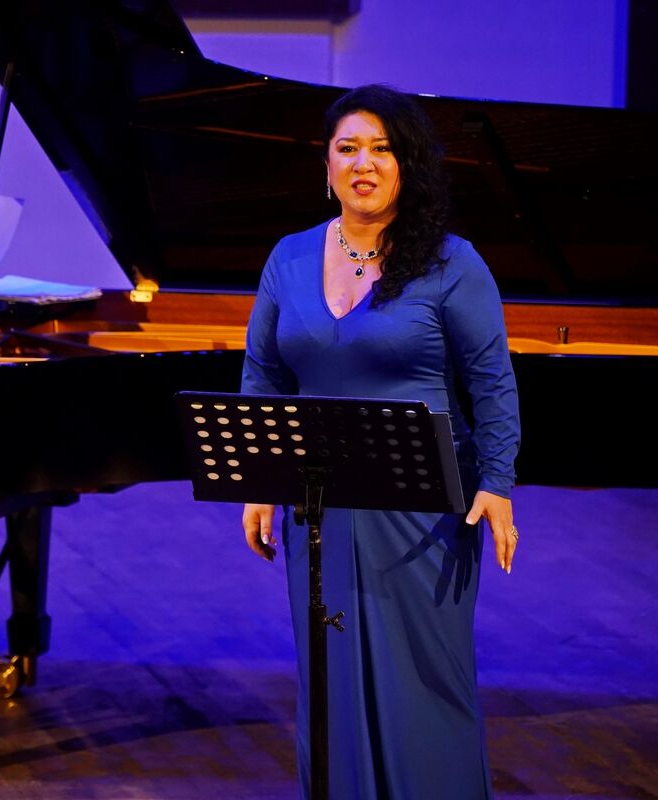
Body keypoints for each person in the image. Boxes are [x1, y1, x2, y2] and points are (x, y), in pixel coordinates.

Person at [239, 84, 520, 799]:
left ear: (407, 164)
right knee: (329, 678)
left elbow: (492, 381)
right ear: (327, 164)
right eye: (348, 148)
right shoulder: (289, 257)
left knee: (424, 682)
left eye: (382, 149)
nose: (363, 164)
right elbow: (263, 374)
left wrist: (497, 483)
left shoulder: (452, 263)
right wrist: (259, 481)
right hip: (319, 506)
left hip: (422, 510)